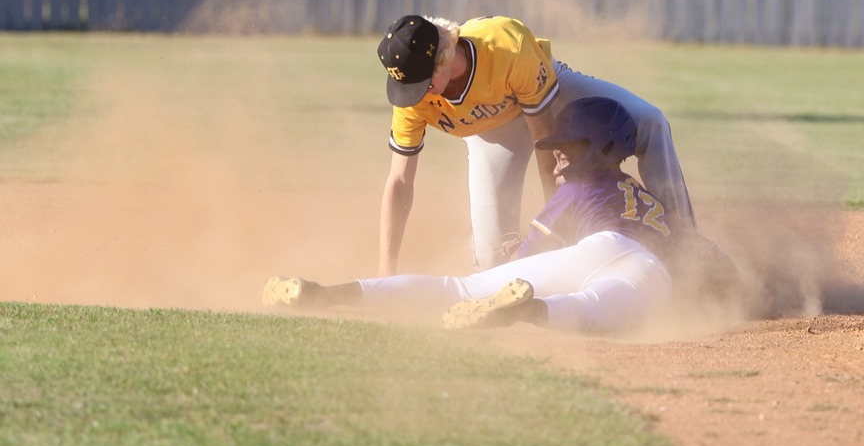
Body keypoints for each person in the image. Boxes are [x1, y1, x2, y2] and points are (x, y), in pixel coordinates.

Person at [263, 97, 677, 334]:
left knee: (461, 289)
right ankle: (525, 312)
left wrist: (511, 264)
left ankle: (323, 294)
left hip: (598, 248)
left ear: (599, 148)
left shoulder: (579, 189)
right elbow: (693, 256)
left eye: (569, 144)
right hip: (653, 275)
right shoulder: (643, 197)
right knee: (589, 311)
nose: (557, 153)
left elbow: (525, 259)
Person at [375, 14, 696, 275]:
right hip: (490, 133)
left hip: (546, 96)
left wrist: (559, 224)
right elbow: (400, 180)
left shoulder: (506, 47)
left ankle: (690, 248)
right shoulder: (412, 98)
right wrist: (387, 266)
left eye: (423, 83)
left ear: (443, 58)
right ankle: (484, 248)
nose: (417, 95)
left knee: (650, 121)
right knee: (492, 265)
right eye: (407, 85)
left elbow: (544, 138)